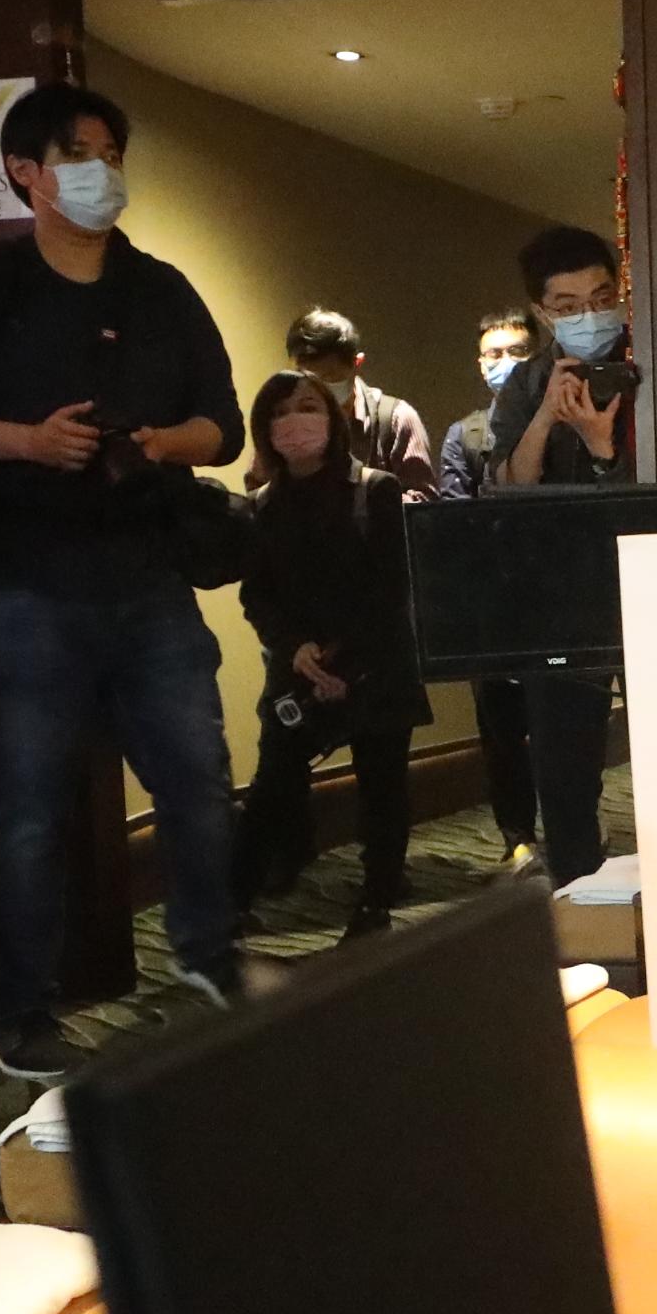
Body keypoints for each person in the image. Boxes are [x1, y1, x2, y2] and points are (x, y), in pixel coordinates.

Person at [0, 80, 243, 1083]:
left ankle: (211, 954)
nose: (104, 173)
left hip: (150, 576)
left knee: (199, 781)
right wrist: (28, 441)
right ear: (27, 172)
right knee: (30, 809)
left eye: (113, 155)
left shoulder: (161, 289)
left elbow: (223, 425)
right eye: (81, 155)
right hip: (27, 582)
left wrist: (158, 443)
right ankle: (14, 1010)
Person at [463, 227, 637, 887]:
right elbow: (508, 490)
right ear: (541, 311)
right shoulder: (528, 380)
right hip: (560, 595)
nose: (590, 315)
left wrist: (601, 447)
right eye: (568, 306)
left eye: (602, 297)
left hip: (649, 582)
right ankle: (577, 896)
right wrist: (546, 418)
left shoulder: (653, 357)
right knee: (564, 769)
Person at [232, 370, 424, 935]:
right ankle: (231, 902)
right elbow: (257, 595)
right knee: (272, 783)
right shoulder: (261, 505)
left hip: (374, 665)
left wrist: (342, 661)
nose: (294, 421)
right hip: (298, 668)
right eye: (279, 413)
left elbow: (392, 589)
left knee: (382, 786)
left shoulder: (375, 489)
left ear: (332, 420)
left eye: (307, 407)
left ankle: (377, 901)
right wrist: (296, 650)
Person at [429, 306, 546, 867]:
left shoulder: (562, 417)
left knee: (563, 721)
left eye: (517, 352)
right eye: (493, 354)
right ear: (479, 364)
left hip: (557, 597)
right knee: (500, 729)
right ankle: (516, 837)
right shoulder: (467, 434)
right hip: (494, 604)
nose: (505, 363)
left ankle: (576, 829)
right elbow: (455, 517)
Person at [275, 303, 434, 498]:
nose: (318, 393)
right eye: (308, 381)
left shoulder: (395, 419)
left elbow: (423, 503)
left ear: (357, 364)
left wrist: (368, 501)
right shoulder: (279, 421)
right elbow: (259, 495)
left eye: (329, 378)